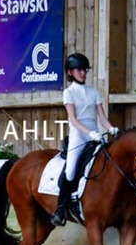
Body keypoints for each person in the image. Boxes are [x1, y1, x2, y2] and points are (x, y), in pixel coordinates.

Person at [51, 53, 119, 226]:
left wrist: (111, 128)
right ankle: (60, 208)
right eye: (79, 70)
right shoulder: (69, 93)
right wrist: (90, 133)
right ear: (70, 72)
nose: (83, 73)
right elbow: (73, 120)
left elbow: (102, 117)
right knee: (70, 170)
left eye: (85, 70)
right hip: (79, 135)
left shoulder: (93, 92)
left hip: (95, 134)